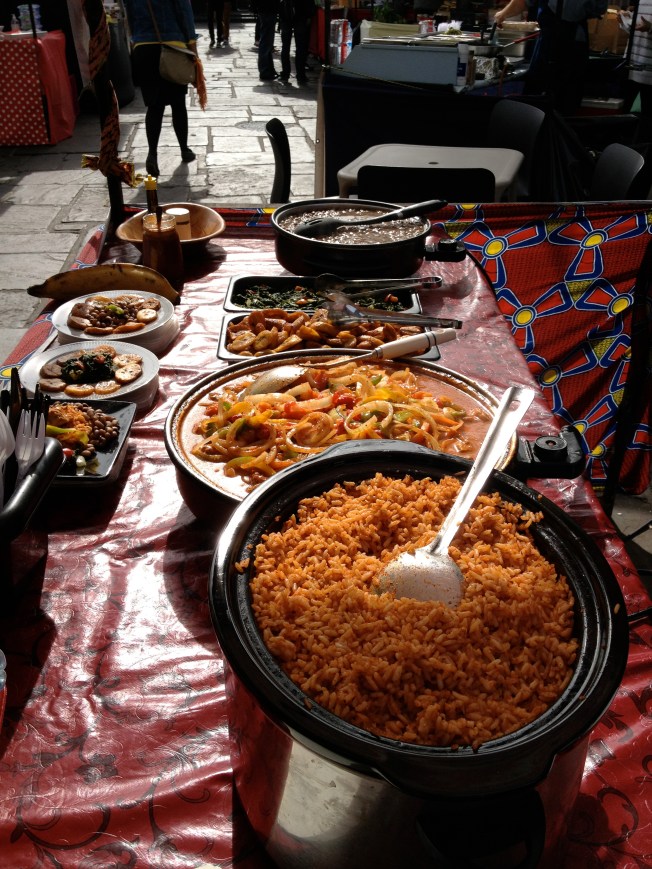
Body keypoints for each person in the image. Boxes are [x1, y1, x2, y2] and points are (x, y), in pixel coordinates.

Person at [125, 0, 199, 177]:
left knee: (154, 106)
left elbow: (130, 17)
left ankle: (152, 153)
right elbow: (184, 13)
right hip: (172, 47)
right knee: (178, 104)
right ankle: (184, 149)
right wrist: (192, 46)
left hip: (143, 49)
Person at [493, 0, 593, 115]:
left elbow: (522, 2)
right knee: (568, 103)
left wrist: (501, 15)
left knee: (538, 102)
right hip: (578, 42)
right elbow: (598, 9)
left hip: (552, 44)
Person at [626, 0, 652, 141]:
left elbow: (648, 27)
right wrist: (626, 21)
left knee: (647, 121)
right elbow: (637, 31)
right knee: (625, 118)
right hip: (632, 63)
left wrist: (650, 27)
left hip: (649, 70)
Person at [278, 0, 314, 84]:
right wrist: (309, 15)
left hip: (286, 14)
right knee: (300, 46)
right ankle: (300, 75)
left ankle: (285, 73)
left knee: (286, 47)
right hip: (300, 15)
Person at [254, 0, 280, 80]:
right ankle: (265, 71)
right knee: (266, 42)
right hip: (268, 9)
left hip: (266, 9)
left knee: (267, 42)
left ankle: (269, 69)